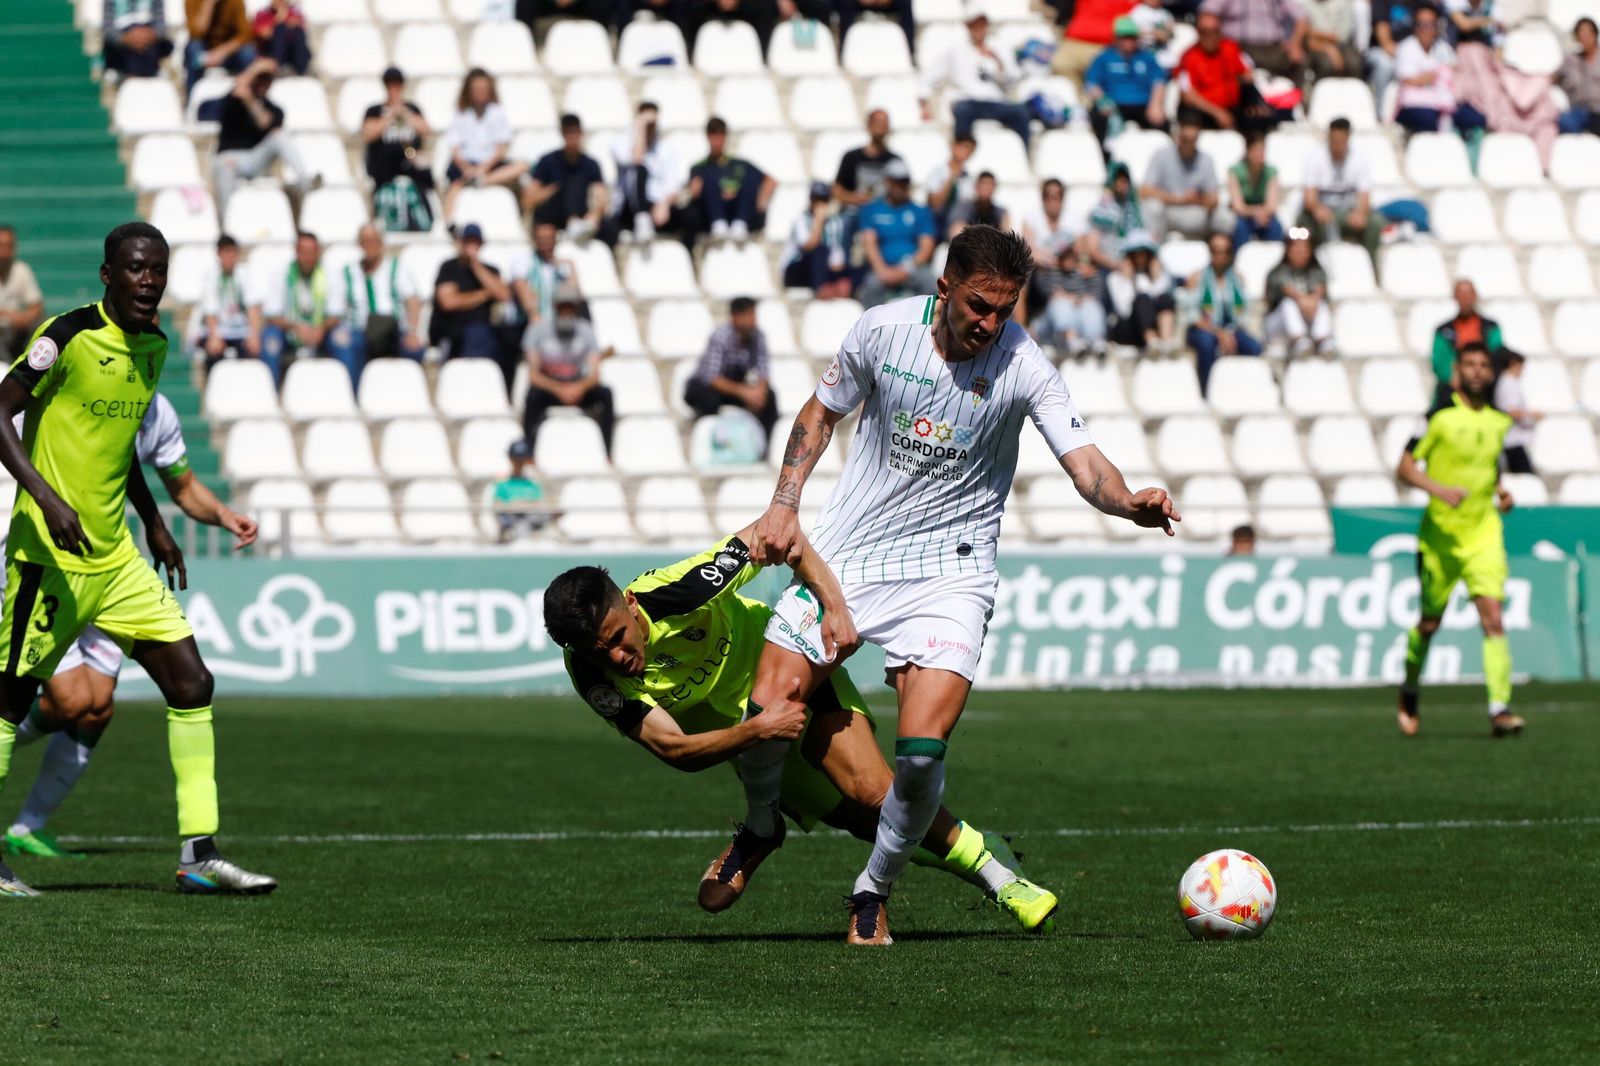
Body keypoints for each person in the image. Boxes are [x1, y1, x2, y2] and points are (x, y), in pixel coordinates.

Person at [747, 225, 1179, 945]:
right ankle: (762, 823)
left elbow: (1084, 462)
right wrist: (783, 505)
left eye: (1004, 310)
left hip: (952, 571)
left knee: (919, 757)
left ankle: (872, 889)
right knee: (768, 703)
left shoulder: (1024, 365)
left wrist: (1128, 500)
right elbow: (820, 413)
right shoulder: (882, 332)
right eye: (979, 305)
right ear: (944, 285)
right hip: (851, 555)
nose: (989, 324)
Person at [542, 523, 1056, 932]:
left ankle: (999, 879)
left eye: (615, 638)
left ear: (629, 605)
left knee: (874, 791)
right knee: (863, 822)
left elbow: (779, 532)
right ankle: (764, 828)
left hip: (787, 669)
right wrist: (758, 729)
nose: (616, 656)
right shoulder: (591, 673)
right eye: (597, 650)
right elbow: (675, 750)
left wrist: (833, 605)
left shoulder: (680, 589)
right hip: (745, 734)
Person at [0, 221, 274, 897]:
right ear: (107, 275)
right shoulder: (65, 337)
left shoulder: (152, 345)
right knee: (8, 701)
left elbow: (120, 448)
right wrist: (45, 497)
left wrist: (155, 523)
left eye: (158, 270)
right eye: (136, 269)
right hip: (48, 555)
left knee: (191, 683)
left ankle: (199, 855)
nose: (149, 282)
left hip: (115, 557)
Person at [2, 394, 258, 861]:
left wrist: (223, 516)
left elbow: (181, 485)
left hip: (104, 562)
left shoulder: (158, 412)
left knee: (97, 707)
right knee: (67, 698)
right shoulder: (74, 382)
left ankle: (27, 825)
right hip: (40, 554)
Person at [1396, 342, 1522, 739]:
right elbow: (1403, 467)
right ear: (1458, 371)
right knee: (1430, 623)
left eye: (1485, 365)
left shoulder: (1499, 422)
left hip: (1483, 533)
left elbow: (1488, 468)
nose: (1479, 372)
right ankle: (1410, 686)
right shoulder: (1438, 417)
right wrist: (1437, 489)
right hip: (1441, 538)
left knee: (1493, 618)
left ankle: (1500, 709)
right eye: (1471, 364)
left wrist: (1502, 493)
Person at [211, 57, 317, 217]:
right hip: (230, 157)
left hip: (256, 160)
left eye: (267, 80)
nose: (262, 84)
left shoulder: (275, 110)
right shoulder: (234, 102)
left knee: (279, 135)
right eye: (259, 80)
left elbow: (264, 123)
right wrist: (255, 69)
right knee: (226, 166)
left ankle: (304, 181)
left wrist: (250, 100)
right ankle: (228, 220)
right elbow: (239, 85)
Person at [919, 3, 1033, 148]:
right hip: (968, 100)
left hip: (995, 101)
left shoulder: (998, 48)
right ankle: (961, 154)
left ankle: (1023, 154)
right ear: (968, 26)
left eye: (982, 24)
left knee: (1021, 112)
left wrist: (998, 62)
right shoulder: (955, 51)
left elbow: (1011, 81)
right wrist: (923, 102)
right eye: (974, 24)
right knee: (962, 111)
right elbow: (930, 76)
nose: (979, 28)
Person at [521, 285, 616, 455]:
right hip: (549, 386)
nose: (566, 310)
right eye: (562, 306)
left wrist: (578, 387)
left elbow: (595, 374)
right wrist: (559, 389)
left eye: (570, 306)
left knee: (605, 395)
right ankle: (529, 449)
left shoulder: (586, 331)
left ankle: (607, 451)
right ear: (555, 306)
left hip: (577, 386)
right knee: (532, 397)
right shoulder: (538, 331)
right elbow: (533, 376)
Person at [261, 231, 356, 384]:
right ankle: (271, 393)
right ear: (296, 252)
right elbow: (272, 314)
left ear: (318, 252)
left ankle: (349, 393)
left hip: (322, 330)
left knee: (344, 341)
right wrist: (296, 327)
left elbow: (336, 314)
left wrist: (320, 328)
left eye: (311, 252)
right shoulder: (281, 274)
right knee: (270, 340)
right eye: (303, 252)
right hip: (289, 330)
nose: (307, 257)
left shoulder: (330, 273)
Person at [684, 296, 779, 449]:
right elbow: (712, 377)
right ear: (735, 317)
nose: (753, 320)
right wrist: (744, 392)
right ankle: (709, 446)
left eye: (754, 315)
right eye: (749, 315)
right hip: (705, 387)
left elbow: (763, 370)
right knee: (709, 400)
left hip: (735, 388)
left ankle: (766, 448)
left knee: (770, 397)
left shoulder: (758, 337)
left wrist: (759, 392)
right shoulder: (720, 337)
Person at [332, 224, 427, 374]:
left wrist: (413, 332)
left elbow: (413, 301)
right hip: (359, 330)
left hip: (392, 330)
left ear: (381, 243)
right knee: (344, 344)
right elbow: (337, 308)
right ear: (359, 244)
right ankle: (354, 394)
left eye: (374, 240)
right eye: (366, 240)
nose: (370, 245)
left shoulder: (396, 268)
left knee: (413, 349)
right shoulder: (348, 272)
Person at [443, 69, 528, 224]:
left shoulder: (497, 112)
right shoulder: (461, 113)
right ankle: (449, 221)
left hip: (490, 166)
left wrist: (483, 169)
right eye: (476, 89)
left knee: (522, 166)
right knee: (455, 185)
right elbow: (454, 148)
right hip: (466, 166)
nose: (480, 93)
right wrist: (466, 168)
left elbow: (501, 149)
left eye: (483, 89)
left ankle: (483, 181)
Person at [854, 159, 938, 309]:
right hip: (881, 269)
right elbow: (869, 243)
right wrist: (882, 270)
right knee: (870, 288)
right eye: (896, 181)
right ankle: (872, 329)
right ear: (887, 181)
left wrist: (905, 268)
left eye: (904, 181)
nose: (900, 186)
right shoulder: (872, 209)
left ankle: (929, 328)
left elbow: (926, 246)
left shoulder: (920, 211)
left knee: (931, 285)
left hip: (913, 268)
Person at [1298, 117, 1382, 267]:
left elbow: (1365, 196)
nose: (1337, 145)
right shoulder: (1315, 157)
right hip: (1321, 213)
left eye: (1341, 141)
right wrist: (1317, 209)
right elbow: (1309, 196)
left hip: (1347, 212)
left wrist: (1361, 213)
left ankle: (1370, 267)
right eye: (1334, 141)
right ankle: (1314, 267)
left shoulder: (1359, 158)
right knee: (1303, 225)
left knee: (1375, 222)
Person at [362, 67, 436, 234]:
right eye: (390, 85)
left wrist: (405, 114)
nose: (394, 89)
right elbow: (368, 134)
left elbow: (426, 130)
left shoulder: (412, 109)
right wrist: (390, 116)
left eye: (397, 85)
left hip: (409, 160)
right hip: (384, 169)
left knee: (420, 163)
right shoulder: (374, 111)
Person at [1185, 232, 1261, 394]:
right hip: (1205, 329)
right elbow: (1192, 316)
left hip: (1231, 328)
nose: (1221, 256)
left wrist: (1230, 333)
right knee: (1207, 343)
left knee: (1253, 346)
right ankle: (1206, 391)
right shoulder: (1197, 278)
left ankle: (1247, 391)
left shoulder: (1237, 278)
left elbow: (1244, 313)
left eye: (1226, 251)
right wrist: (1219, 333)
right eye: (1216, 251)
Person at [1393, 6, 1484, 135]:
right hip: (1414, 106)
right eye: (1423, 25)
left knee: (1474, 118)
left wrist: (1435, 76)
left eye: (1432, 25)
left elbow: (1456, 71)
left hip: (1443, 103)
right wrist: (1437, 74)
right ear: (1415, 27)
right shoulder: (1405, 48)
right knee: (1429, 119)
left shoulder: (1443, 48)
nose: (1427, 29)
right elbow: (1408, 80)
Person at [684, 117, 775, 244]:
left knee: (750, 177)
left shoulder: (739, 164)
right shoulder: (699, 167)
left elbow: (770, 180)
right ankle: (718, 222)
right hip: (711, 214)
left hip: (738, 209)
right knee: (708, 176)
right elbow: (694, 192)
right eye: (713, 136)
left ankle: (740, 223)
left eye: (720, 136)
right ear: (708, 137)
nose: (717, 141)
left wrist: (761, 202)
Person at [1176, 12, 1272, 131]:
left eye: (1214, 31)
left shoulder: (1230, 48)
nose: (1210, 36)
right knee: (1189, 125)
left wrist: (1254, 103)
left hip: (1231, 107)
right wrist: (1217, 112)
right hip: (1204, 111)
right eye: (1205, 31)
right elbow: (1187, 95)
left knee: (1261, 116)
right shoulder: (1188, 57)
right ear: (1198, 33)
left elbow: (1247, 75)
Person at [432, 223, 513, 365]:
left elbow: (503, 295)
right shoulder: (449, 268)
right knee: (476, 335)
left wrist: (475, 264)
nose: (471, 245)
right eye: (468, 241)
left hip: (485, 330)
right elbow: (449, 303)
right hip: (455, 330)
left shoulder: (490, 270)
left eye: (475, 242)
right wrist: (486, 294)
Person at [602, 102, 681, 246]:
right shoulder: (620, 142)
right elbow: (636, 159)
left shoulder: (667, 149)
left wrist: (664, 204)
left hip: (657, 208)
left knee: (688, 217)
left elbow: (674, 185)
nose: (649, 125)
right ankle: (642, 218)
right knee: (639, 170)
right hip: (628, 209)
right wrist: (640, 129)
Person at [1141, 118, 1230, 241]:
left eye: (1192, 140)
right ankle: (1153, 254)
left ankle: (1221, 256)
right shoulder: (1161, 155)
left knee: (1226, 219)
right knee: (1152, 207)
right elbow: (1144, 191)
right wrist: (1179, 199)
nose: (1188, 143)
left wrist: (1199, 199)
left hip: (1196, 213)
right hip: (1169, 212)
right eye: (1185, 139)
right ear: (1178, 136)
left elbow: (1214, 199)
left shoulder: (1206, 160)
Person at [1083, 16, 1168, 145]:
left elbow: (1159, 81)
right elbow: (1092, 82)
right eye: (1125, 37)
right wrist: (1102, 100)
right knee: (1099, 118)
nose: (1129, 41)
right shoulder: (1104, 57)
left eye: (1132, 37)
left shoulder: (1147, 57)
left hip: (1142, 104)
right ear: (1116, 38)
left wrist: (1156, 104)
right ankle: (1106, 158)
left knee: (1162, 122)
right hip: (1113, 104)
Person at [526, 113, 608, 238]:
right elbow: (529, 199)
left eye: (575, 132)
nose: (572, 137)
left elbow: (600, 196)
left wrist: (593, 218)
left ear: (581, 134)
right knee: (570, 182)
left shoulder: (591, 164)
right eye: (568, 133)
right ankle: (573, 224)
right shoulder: (547, 161)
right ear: (562, 134)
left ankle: (578, 225)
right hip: (553, 214)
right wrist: (557, 188)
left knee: (610, 228)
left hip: (583, 214)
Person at [833, 109, 903, 248]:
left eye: (885, 122)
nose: (882, 126)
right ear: (868, 126)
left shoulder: (895, 160)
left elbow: (904, 192)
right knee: (843, 223)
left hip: (885, 214)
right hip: (856, 212)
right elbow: (837, 190)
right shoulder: (851, 157)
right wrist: (854, 198)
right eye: (878, 122)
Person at [196, 234, 263, 375]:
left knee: (252, 351)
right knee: (213, 351)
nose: (229, 257)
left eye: (232, 252)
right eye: (226, 252)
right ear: (219, 254)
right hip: (220, 330)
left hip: (240, 330)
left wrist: (254, 335)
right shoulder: (211, 276)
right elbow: (210, 310)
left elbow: (253, 308)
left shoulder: (244, 274)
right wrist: (214, 336)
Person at [1034, 234, 1107, 359]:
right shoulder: (1049, 272)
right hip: (1048, 325)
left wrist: (1086, 272)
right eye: (1065, 255)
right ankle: (1072, 340)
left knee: (1090, 305)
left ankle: (1096, 341)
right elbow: (1054, 294)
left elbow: (1092, 296)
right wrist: (1075, 298)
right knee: (1061, 303)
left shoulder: (1082, 273)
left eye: (1071, 254)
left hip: (1075, 319)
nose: (1069, 258)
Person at [1263, 227, 1333, 356]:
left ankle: (1323, 341)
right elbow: (1287, 290)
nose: (1300, 251)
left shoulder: (1317, 270)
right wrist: (1303, 300)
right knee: (1288, 304)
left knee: (1322, 305)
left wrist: (1312, 301)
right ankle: (1300, 341)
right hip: (1278, 325)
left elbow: (1320, 290)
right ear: (1288, 250)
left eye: (1304, 247)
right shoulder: (1277, 272)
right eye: (1296, 247)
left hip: (1307, 319)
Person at [1199, 0, 1309, 80]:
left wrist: (1295, 43)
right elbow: (1207, 15)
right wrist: (1216, 40)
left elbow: (1302, 18)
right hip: (1239, 49)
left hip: (1273, 49)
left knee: (1299, 60)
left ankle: (1294, 102)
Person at [1108, 230, 1178, 354]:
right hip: (1128, 329)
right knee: (1142, 298)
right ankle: (1152, 342)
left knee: (1165, 298)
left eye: (1144, 253)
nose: (1141, 258)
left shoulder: (1159, 277)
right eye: (1136, 254)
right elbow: (1123, 310)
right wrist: (1127, 280)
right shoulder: (1115, 278)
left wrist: (1156, 279)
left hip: (1155, 325)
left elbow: (1163, 302)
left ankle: (1166, 343)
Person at [1430, 278, 1501, 397]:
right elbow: (1439, 362)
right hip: (1452, 390)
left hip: (1485, 389)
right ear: (1455, 297)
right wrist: (1454, 378)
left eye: (1468, 294)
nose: (1465, 299)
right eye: (1461, 294)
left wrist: (1485, 375)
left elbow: (1497, 354)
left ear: (1475, 296)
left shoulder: (1490, 327)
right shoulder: (1443, 330)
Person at [780, 182, 850, 296]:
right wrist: (818, 221)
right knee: (819, 250)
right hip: (797, 269)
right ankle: (820, 288)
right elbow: (809, 246)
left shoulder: (835, 223)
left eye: (823, 200)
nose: (820, 204)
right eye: (816, 200)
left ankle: (834, 288)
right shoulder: (801, 219)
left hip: (822, 269)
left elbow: (838, 259)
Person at [511, 222, 577, 328]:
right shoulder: (524, 261)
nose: (545, 242)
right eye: (541, 238)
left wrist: (572, 266)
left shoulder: (562, 266)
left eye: (549, 238)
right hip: (530, 322)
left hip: (557, 322)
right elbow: (521, 287)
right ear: (535, 240)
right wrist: (533, 314)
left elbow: (574, 294)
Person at [184, 0, 255, 97]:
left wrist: (222, 52)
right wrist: (208, 4)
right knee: (194, 49)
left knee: (248, 53)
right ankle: (191, 97)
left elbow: (244, 34)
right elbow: (195, 33)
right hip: (204, 54)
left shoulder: (235, 2)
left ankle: (247, 97)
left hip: (228, 54)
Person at [1228, 131, 1284, 247]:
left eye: (1262, 151)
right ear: (1248, 151)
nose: (1260, 154)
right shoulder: (1235, 172)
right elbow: (1238, 206)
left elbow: (1272, 205)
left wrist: (1262, 214)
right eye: (1256, 150)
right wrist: (1255, 213)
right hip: (1243, 216)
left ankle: (1274, 259)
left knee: (1275, 227)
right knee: (1240, 227)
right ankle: (1239, 259)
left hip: (1264, 215)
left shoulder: (1271, 172)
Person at [1085, 161, 1145, 268]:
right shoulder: (1100, 212)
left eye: (1125, 179)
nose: (1123, 183)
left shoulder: (1134, 208)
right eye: (1119, 179)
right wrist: (1115, 265)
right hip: (1109, 264)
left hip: (1131, 260)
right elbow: (1093, 248)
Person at [491, 439, 549, 543]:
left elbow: (540, 509)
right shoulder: (502, 484)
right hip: (512, 528)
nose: (519, 463)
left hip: (532, 527)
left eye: (522, 459)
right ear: (510, 459)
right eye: (516, 459)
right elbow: (499, 510)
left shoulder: (534, 483)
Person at [1368, 0, 1422, 109]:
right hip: (1382, 52)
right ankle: (1379, 111)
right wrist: (1406, 55)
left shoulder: (1420, 3)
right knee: (1385, 65)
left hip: (1411, 54)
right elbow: (1385, 42)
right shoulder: (1383, 2)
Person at [0, 227, 44, 362]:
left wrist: (25, 317)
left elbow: (36, 305)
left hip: (16, 330)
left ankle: (30, 367)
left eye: (9, 245)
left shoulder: (21, 270)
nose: (4, 251)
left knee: (42, 324)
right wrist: (10, 315)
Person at [102, 0, 174, 79]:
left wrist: (148, 36)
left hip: (149, 38)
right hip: (122, 41)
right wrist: (126, 38)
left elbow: (161, 26)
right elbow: (107, 28)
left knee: (161, 46)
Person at [1492, 349, 1537, 474]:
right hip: (1512, 440)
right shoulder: (1508, 383)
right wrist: (1532, 415)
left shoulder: (1507, 382)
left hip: (1513, 439)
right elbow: (1511, 410)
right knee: (1525, 477)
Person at [924, 134, 977, 236]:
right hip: (936, 221)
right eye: (964, 147)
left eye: (970, 150)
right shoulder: (937, 172)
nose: (967, 152)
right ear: (953, 146)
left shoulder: (969, 177)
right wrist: (952, 176)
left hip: (957, 223)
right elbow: (935, 203)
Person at [1558, 17, 1600, 136]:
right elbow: (1554, 77)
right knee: (1563, 123)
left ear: (1595, 34)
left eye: (1587, 34)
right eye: (1581, 34)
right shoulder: (1571, 60)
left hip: (1599, 110)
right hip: (1580, 111)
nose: (1584, 37)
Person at [1024, 179, 1075, 269]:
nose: (1053, 201)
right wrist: (1052, 261)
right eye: (1049, 196)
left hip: (1069, 271)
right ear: (1043, 198)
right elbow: (1029, 251)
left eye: (1058, 196)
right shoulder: (1031, 219)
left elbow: (1083, 251)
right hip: (1042, 270)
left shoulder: (1074, 218)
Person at [251, 0, 312, 75]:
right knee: (280, 28)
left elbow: (303, 28)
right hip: (271, 52)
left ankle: (301, 67)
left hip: (292, 52)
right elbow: (262, 34)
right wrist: (278, 20)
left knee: (297, 31)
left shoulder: (294, 13)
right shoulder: (263, 14)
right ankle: (276, 64)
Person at [1306, 0, 1361, 78]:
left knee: (1354, 63)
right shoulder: (1304, 3)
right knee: (1325, 64)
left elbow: (1341, 36)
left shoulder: (1342, 3)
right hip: (1316, 47)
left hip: (1341, 45)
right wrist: (1328, 47)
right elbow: (1307, 36)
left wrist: (1317, 34)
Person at [946, 170, 1009, 239]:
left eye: (990, 185)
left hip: (992, 247)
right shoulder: (964, 207)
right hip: (968, 246)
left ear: (994, 188)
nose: (986, 188)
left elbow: (1006, 234)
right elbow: (956, 230)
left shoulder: (1000, 212)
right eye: (983, 184)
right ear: (976, 186)